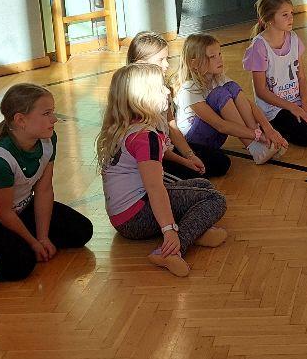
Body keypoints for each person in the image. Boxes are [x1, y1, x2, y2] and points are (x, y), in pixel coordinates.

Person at [98, 63, 229, 277]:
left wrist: (186, 160)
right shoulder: (145, 137)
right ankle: (173, 249)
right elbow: (155, 188)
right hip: (136, 217)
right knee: (215, 199)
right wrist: (169, 231)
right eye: (161, 88)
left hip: (123, 218)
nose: (168, 92)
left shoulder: (127, 127)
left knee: (202, 185)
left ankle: (194, 230)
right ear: (143, 98)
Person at [0, 83, 93, 281]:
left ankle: (16, 242)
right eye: (46, 113)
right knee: (22, 263)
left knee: (82, 231)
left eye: (52, 112)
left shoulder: (48, 139)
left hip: (20, 209)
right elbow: (3, 213)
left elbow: (44, 190)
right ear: (20, 120)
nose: (54, 119)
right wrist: (33, 243)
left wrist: (43, 237)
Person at [176, 33, 289, 165]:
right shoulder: (188, 90)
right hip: (194, 143)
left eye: (219, 54)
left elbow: (250, 105)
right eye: (212, 57)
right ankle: (254, 146)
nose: (219, 59)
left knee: (232, 87)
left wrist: (269, 130)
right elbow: (220, 125)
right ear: (194, 63)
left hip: (215, 138)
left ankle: (259, 145)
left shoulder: (218, 79)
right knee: (219, 94)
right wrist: (259, 135)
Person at [244, 0, 307, 146]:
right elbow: (261, 91)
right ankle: (272, 127)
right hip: (273, 109)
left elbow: (302, 77)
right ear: (269, 19)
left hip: (296, 102)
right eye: (285, 15)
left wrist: (305, 103)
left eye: (291, 13)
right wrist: (292, 107)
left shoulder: (294, 38)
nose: (291, 18)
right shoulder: (259, 47)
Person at [127, 31, 223, 178]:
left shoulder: (162, 86)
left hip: (168, 148)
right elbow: (153, 147)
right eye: (160, 60)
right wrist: (185, 161)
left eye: (167, 59)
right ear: (141, 63)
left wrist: (189, 154)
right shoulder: (138, 97)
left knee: (220, 162)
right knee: (198, 174)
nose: (166, 65)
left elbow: (171, 124)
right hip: (154, 157)